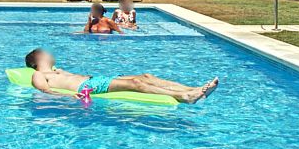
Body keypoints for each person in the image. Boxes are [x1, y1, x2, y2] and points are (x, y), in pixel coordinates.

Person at [23, 48, 217, 103]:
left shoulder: (58, 70)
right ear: (38, 57)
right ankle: (184, 97)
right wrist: (71, 97)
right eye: (46, 52)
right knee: (135, 83)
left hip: (93, 80)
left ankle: (192, 89)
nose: (51, 53)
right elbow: (46, 91)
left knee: (146, 76)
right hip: (86, 88)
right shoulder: (39, 74)